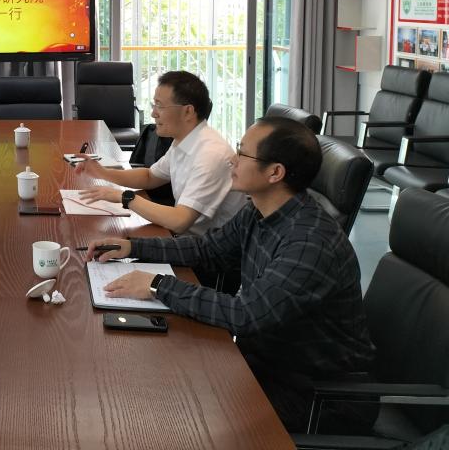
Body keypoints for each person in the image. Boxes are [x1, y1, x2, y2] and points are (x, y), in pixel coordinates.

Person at [85, 117, 376, 432]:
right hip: (265, 365)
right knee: (157, 383)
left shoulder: (309, 242)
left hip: (316, 397)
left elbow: (247, 314)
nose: (232, 161)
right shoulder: (260, 211)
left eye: (243, 153)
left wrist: (157, 286)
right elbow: (207, 249)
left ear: (275, 172)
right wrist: (133, 246)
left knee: (173, 414)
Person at [76, 70, 246, 235]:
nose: (153, 113)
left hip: (207, 248)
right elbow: (150, 177)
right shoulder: (184, 140)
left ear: (188, 111)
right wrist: (102, 172)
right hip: (187, 237)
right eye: (154, 105)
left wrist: (124, 197)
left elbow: (180, 221)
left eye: (160, 106)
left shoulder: (210, 155)